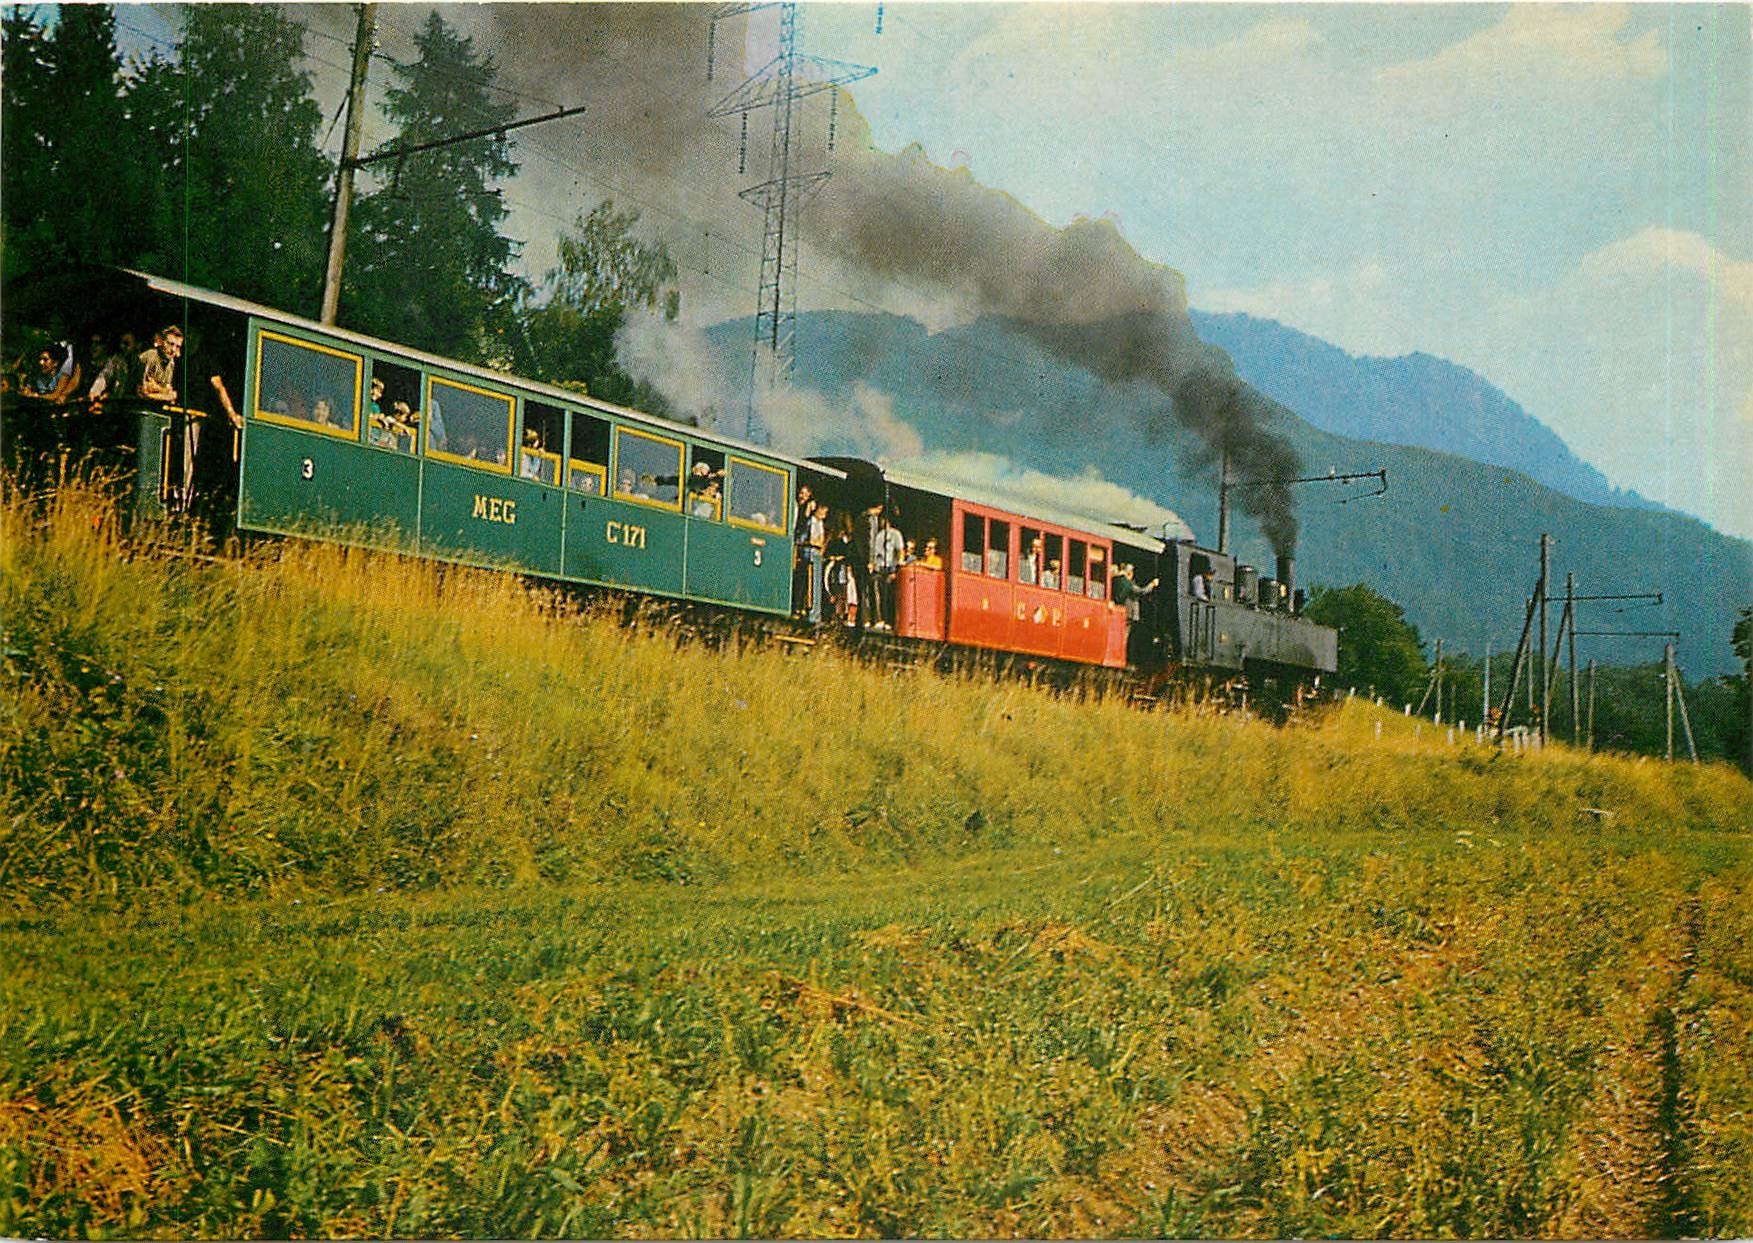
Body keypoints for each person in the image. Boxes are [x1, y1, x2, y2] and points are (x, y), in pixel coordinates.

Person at [872, 509, 905, 631]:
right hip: (880, 567)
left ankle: (889, 620)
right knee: (879, 592)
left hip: (891, 567)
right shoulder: (879, 535)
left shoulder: (895, 534)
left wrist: (897, 567)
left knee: (889, 594)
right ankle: (880, 619)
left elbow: (900, 551)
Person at [795, 499, 827, 623]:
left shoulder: (821, 524)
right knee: (803, 580)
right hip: (808, 553)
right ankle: (800, 606)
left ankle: (811, 609)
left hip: (817, 555)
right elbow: (803, 538)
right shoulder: (810, 522)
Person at [136, 325, 181, 404]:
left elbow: (171, 395)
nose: (173, 350)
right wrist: (165, 392)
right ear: (160, 341)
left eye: (177, 346)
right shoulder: (149, 356)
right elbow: (142, 392)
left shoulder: (171, 362)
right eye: (170, 344)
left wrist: (157, 388)